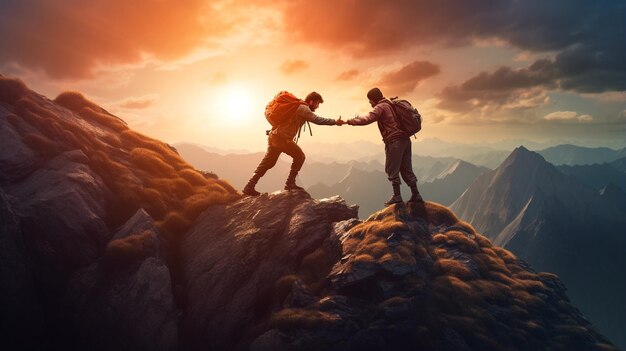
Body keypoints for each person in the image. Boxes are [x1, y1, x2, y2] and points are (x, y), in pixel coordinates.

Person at [243, 91, 341, 196]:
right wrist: (335, 121)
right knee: (300, 156)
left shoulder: (297, 106)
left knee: (269, 162)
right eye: (317, 104)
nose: (317, 107)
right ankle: (289, 183)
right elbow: (317, 120)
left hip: (274, 136)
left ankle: (249, 186)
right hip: (281, 138)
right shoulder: (303, 108)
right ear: (311, 101)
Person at [342, 87, 423, 205]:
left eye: (370, 101)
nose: (370, 104)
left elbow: (367, 119)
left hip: (394, 142)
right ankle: (416, 194)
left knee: (392, 168)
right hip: (405, 140)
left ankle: (397, 196)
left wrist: (348, 121)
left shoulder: (380, 107)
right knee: (406, 168)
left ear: (373, 99)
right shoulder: (390, 103)